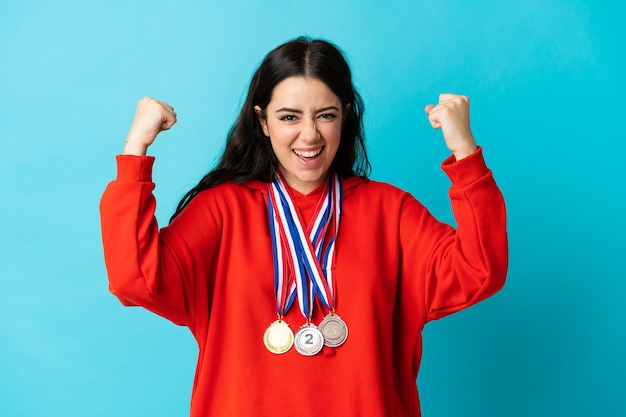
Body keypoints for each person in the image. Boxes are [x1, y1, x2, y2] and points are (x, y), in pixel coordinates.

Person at [100, 37, 507, 417]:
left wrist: (464, 152)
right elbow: (133, 278)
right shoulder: (221, 211)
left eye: (325, 115)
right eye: (289, 116)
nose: (309, 135)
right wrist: (136, 148)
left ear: (345, 116)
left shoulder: (390, 210)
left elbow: (480, 269)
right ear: (262, 122)